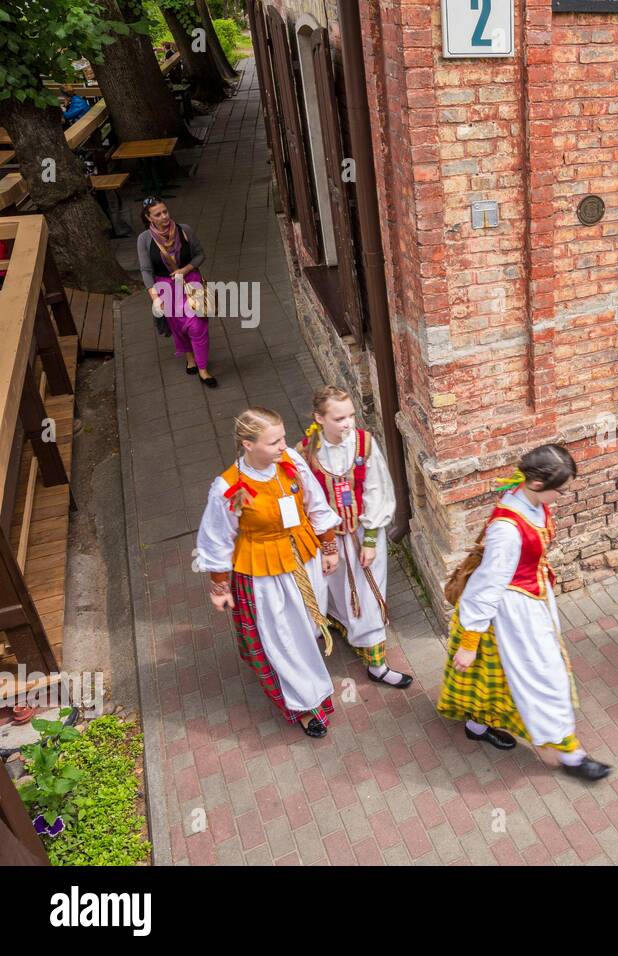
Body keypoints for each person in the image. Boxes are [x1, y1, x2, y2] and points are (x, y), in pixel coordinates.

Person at [435, 444, 612, 781]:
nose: (561, 496)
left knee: (495, 674)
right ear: (535, 485)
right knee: (546, 678)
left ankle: (476, 725)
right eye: (559, 490)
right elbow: (488, 584)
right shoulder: (507, 529)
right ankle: (570, 753)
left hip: (531, 599)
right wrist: (470, 640)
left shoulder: (528, 500)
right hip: (511, 610)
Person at [195, 407, 342, 738]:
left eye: (283, 438)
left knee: (307, 625)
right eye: (273, 441)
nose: (283, 446)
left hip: (304, 558)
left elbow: (315, 503)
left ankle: (306, 672)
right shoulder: (232, 489)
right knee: (285, 638)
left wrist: (329, 546)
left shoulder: (289, 461)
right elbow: (217, 538)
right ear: (248, 444)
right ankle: (306, 705)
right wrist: (220, 587)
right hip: (265, 573)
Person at [297, 386, 412, 689]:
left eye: (350, 415)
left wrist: (372, 540)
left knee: (369, 593)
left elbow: (378, 489)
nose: (348, 423)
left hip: (362, 532)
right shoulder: (304, 454)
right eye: (339, 418)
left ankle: (377, 663)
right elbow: (305, 504)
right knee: (335, 588)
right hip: (327, 541)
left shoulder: (364, 443)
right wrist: (326, 546)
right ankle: (342, 623)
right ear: (319, 418)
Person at [137, 197, 217, 387]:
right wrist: (155, 298)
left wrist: (185, 269)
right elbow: (146, 270)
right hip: (165, 287)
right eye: (158, 214)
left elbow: (200, 255)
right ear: (149, 218)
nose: (164, 216)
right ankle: (190, 358)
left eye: (165, 211)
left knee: (197, 325)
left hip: (191, 282)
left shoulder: (185, 230)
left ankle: (203, 370)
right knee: (179, 327)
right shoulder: (144, 239)